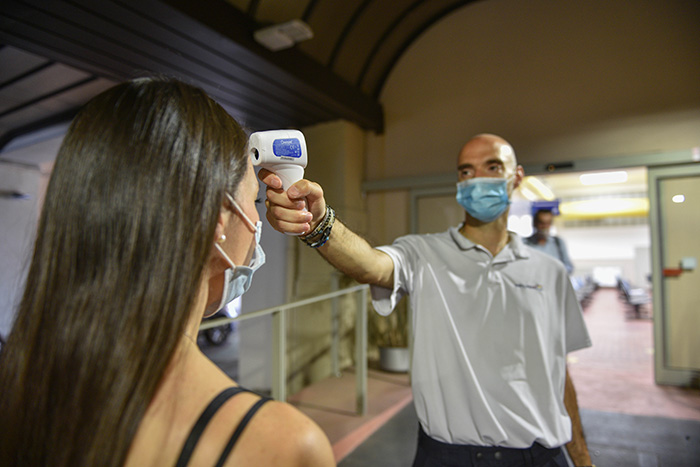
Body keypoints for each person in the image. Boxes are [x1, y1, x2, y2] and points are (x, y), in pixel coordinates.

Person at [0, 78, 335, 467]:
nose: (259, 220)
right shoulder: (284, 446)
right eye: (255, 200)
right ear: (217, 218)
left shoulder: (20, 390)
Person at [260, 134, 594, 467]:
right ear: (459, 183)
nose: (477, 179)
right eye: (466, 171)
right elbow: (371, 266)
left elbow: (558, 371)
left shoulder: (550, 272)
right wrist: (319, 224)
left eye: (492, 167)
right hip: (449, 457)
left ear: (517, 176)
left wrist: (582, 458)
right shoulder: (423, 254)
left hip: (541, 456)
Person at [525, 209, 575, 274]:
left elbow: (569, 267)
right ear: (534, 223)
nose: (544, 227)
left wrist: (556, 272)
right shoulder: (525, 244)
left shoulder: (558, 243)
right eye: (541, 223)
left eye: (548, 223)